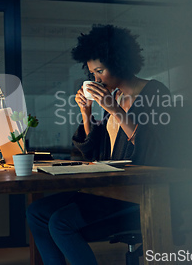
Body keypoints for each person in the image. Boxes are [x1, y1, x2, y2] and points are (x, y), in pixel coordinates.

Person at [26, 24, 174, 265]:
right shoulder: (113, 97)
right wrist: (86, 113)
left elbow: (155, 149)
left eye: (100, 71)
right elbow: (94, 154)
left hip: (138, 194)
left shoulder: (155, 93)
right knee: (36, 212)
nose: (95, 78)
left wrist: (113, 109)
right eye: (92, 72)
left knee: (61, 221)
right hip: (108, 188)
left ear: (120, 63)